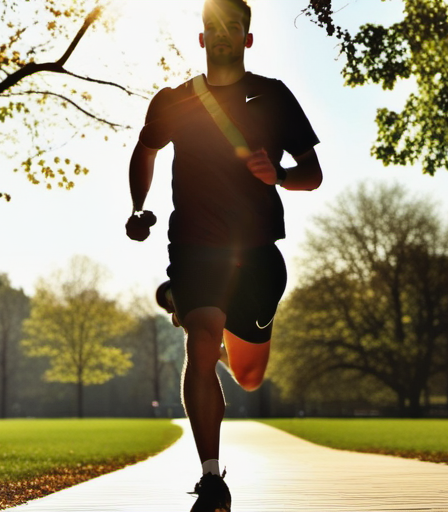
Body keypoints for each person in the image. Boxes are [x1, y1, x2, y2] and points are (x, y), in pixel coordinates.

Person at [126, 1, 322, 510]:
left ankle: (187, 314)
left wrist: (276, 176)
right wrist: (138, 207)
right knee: (202, 337)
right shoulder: (174, 101)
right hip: (194, 246)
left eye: (232, 27)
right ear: (201, 39)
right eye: (213, 27)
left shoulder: (274, 97)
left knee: (249, 375)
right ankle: (211, 476)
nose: (222, 35)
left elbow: (313, 173)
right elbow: (145, 150)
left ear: (247, 39)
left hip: (257, 254)